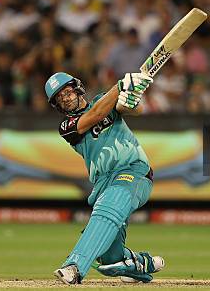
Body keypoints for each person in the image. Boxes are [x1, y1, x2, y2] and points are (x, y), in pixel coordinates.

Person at [45, 71, 165, 284]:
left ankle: (74, 266)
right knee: (109, 259)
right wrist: (120, 86)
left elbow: (132, 109)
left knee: (109, 206)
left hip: (133, 171)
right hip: (103, 182)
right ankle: (139, 263)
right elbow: (95, 116)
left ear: (78, 87)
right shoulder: (67, 127)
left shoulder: (103, 99)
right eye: (59, 97)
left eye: (67, 91)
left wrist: (131, 99)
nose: (65, 97)